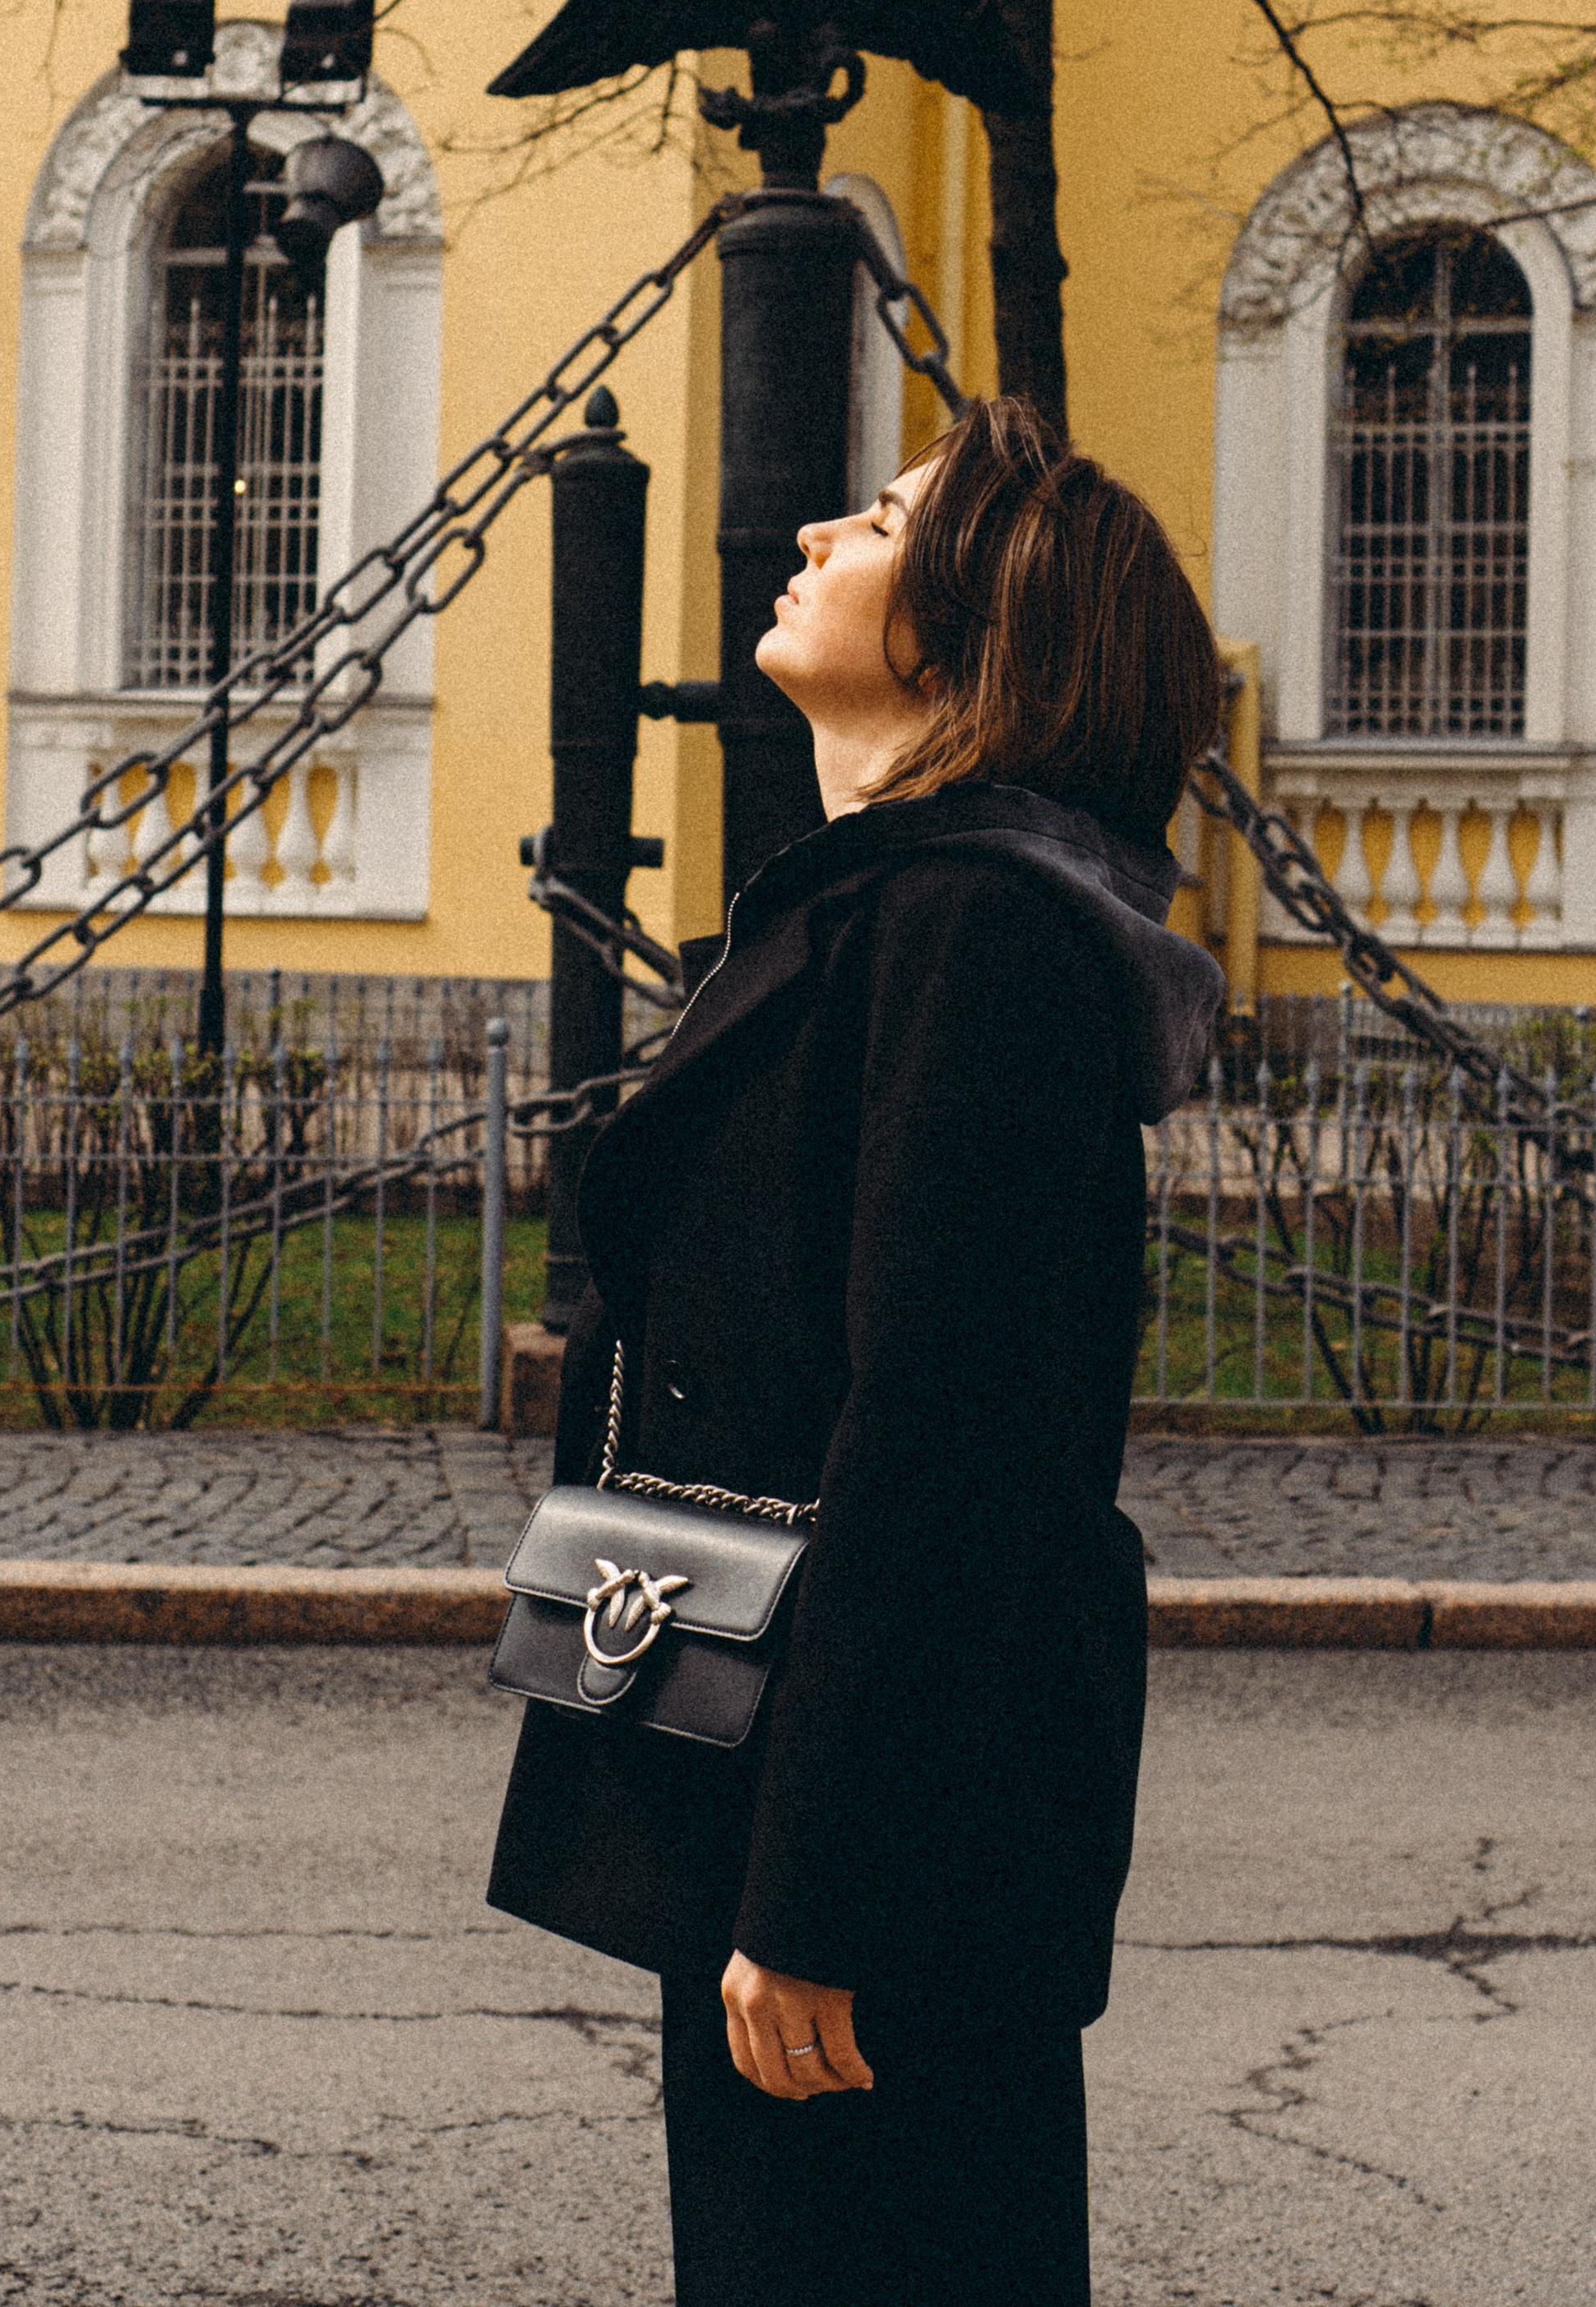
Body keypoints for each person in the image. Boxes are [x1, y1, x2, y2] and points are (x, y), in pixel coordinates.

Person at [488, 392, 1225, 2307]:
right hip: (780, 1774)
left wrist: (821, 1894)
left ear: (983, 629)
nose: (814, 534)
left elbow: (949, 1442)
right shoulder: (887, 912)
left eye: (881, 521)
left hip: (882, 1835)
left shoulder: (974, 938)